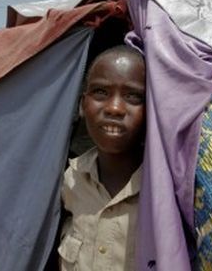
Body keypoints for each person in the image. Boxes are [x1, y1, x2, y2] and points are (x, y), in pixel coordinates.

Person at [58, 45, 146, 271]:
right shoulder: (70, 179)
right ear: (82, 104)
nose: (115, 108)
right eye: (100, 92)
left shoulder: (166, 193)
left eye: (133, 96)